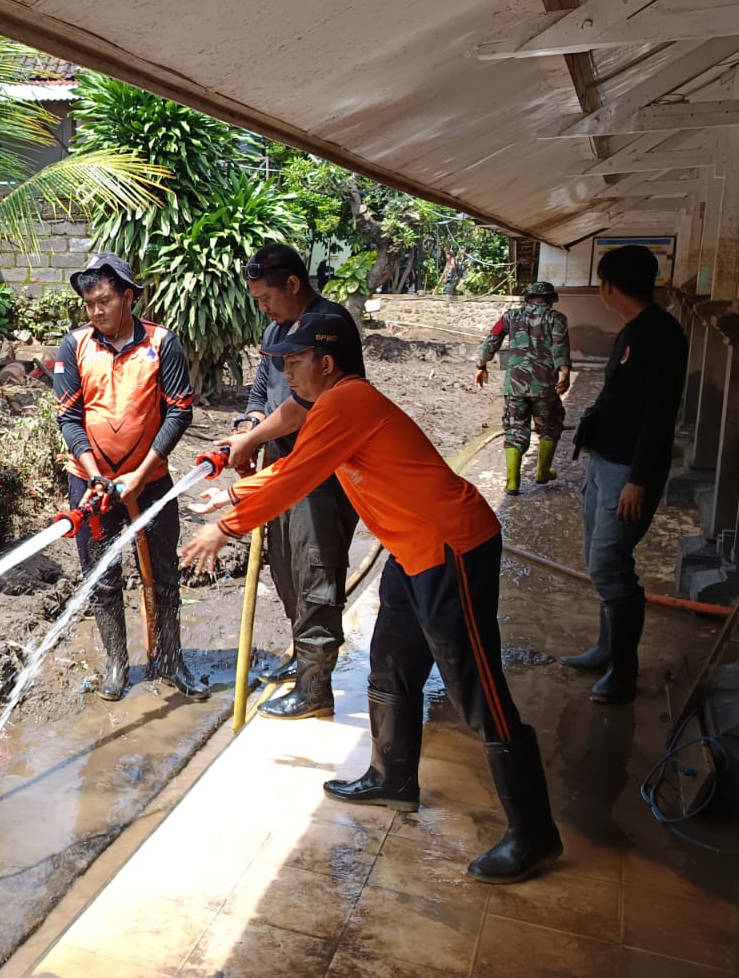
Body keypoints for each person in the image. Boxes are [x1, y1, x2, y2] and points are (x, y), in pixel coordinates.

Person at [182, 313, 562, 883]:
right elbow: (295, 465)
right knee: (390, 664)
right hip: (409, 552)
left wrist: (228, 527)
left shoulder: (346, 401)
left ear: (326, 363)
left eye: (293, 361)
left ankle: (534, 833)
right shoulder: (335, 407)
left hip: (451, 547)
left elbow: (298, 477)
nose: (285, 372)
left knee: (474, 685)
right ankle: (393, 779)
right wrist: (233, 494)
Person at [54, 252, 206, 702]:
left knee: (162, 570)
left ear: (129, 296)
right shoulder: (75, 345)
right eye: (89, 303)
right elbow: (69, 417)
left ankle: (171, 659)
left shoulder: (162, 344)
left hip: (152, 479)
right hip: (92, 484)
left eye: (104, 300)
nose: (96, 310)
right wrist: (97, 474)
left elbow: (179, 411)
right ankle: (117, 663)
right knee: (102, 572)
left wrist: (140, 474)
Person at [228, 243, 360, 719]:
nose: (261, 307)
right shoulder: (277, 328)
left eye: (266, 297)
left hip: (321, 476)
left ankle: (316, 691)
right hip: (280, 468)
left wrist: (253, 438)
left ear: (292, 284)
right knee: (285, 568)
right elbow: (262, 389)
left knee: (316, 574)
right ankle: (303, 663)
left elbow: (307, 406)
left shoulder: (329, 326)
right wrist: (248, 424)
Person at [563, 245, 688, 704]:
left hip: (628, 472)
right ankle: (605, 648)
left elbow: (659, 414)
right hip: (605, 461)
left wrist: (638, 478)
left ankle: (622, 671)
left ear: (610, 286)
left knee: (610, 567)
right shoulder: (633, 330)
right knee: (602, 564)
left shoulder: (661, 334)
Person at [476, 279, 572, 496]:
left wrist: (481, 365)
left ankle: (512, 482)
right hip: (545, 385)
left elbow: (492, 339)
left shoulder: (510, 316)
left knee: (515, 429)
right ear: (551, 299)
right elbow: (560, 345)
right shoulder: (556, 318)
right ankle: (543, 471)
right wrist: (564, 372)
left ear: (528, 299)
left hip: (515, 384)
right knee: (549, 426)